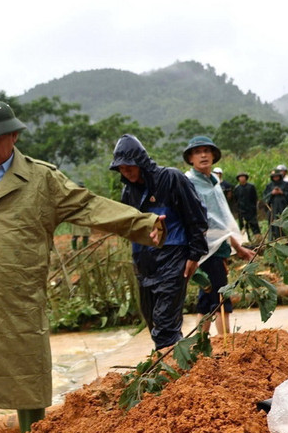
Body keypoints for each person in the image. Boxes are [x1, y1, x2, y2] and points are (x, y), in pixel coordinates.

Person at [0, 107, 168, 433]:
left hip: (21, 288)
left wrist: (143, 223)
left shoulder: (42, 179)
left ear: (14, 136)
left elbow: (88, 206)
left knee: (25, 364)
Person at [109, 134, 209, 349]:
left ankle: (174, 375)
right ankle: (178, 366)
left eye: (129, 166)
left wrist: (194, 255)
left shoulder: (171, 179)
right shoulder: (129, 192)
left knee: (165, 326)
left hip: (173, 258)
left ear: (141, 162)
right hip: (144, 262)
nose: (125, 171)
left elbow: (197, 218)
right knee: (152, 321)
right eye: (121, 168)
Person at [183, 137, 254, 337]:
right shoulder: (188, 183)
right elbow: (198, 221)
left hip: (216, 248)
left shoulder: (213, 182)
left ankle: (198, 345)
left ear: (214, 156)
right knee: (222, 297)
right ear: (190, 158)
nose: (203, 155)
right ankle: (226, 344)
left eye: (207, 151)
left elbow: (221, 223)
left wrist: (238, 249)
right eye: (198, 152)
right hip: (203, 249)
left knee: (206, 300)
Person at [263, 169, 288, 240]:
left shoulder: (285, 184)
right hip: (273, 209)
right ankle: (275, 240)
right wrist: (272, 193)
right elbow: (265, 198)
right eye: (274, 177)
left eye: (277, 176)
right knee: (274, 225)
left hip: (283, 208)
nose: (276, 178)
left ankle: (287, 240)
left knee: (285, 224)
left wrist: (282, 192)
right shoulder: (269, 186)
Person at [232, 172, 260, 239]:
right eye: (240, 177)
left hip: (251, 210)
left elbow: (255, 198)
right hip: (241, 211)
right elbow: (235, 199)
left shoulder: (251, 187)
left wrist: (254, 208)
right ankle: (245, 240)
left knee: (254, 225)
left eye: (243, 177)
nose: (241, 178)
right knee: (243, 227)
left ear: (246, 178)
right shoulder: (237, 189)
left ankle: (258, 239)